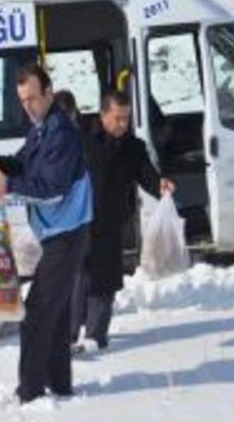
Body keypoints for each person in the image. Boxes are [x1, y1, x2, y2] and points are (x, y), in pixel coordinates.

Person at [0, 64, 92, 403]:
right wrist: (0, 164)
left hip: (68, 235)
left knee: (34, 315)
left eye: (32, 97)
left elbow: (52, 189)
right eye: (22, 100)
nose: (28, 105)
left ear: (48, 93)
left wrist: (10, 185)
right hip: (58, 235)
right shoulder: (42, 129)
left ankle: (29, 392)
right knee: (57, 316)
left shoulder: (61, 133)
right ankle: (60, 385)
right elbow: (25, 162)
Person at [71, 90, 175, 353]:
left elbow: (146, 174)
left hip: (111, 223)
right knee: (77, 279)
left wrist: (159, 184)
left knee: (104, 282)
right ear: (103, 115)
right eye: (117, 118)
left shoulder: (133, 147)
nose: (122, 124)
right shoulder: (82, 141)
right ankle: (69, 335)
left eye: (126, 119)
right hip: (79, 223)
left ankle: (95, 337)